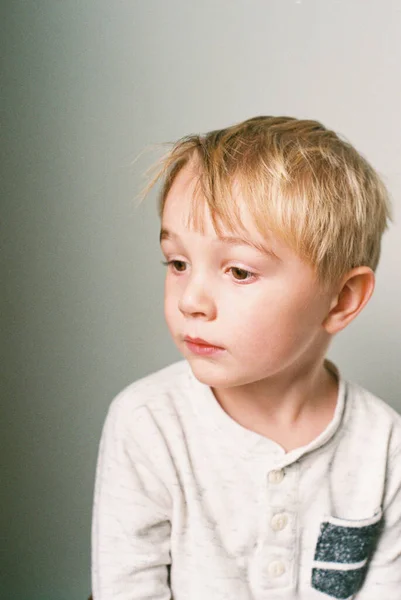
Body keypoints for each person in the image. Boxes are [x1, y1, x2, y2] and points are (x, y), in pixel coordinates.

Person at [91, 116, 401, 599]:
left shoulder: (384, 446)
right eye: (178, 263)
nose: (191, 299)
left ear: (341, 298)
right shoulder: (148, 422)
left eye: (238, 271)